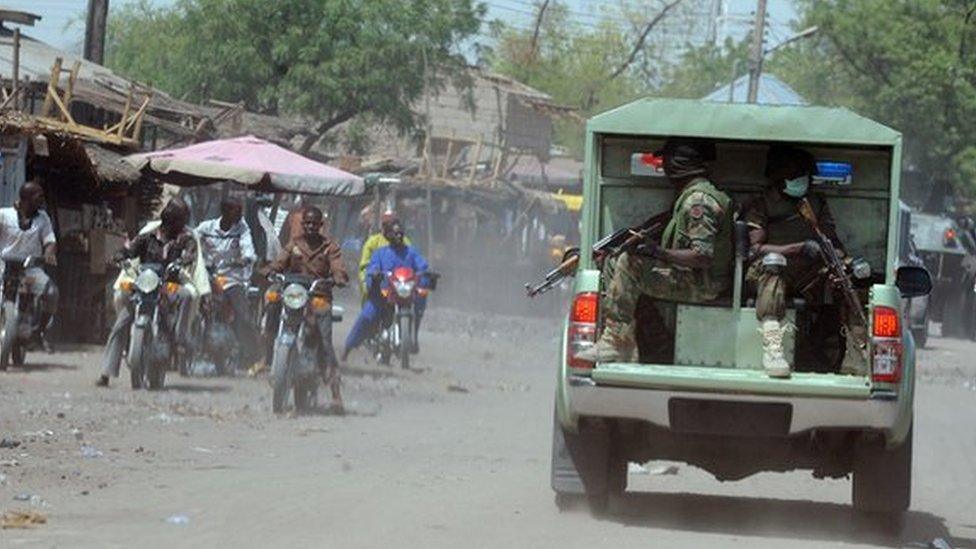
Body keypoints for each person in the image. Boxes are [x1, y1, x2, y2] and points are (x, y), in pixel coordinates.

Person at [576, 139, 733, 363]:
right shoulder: (691, 196)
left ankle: (616, 342)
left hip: (703, 284)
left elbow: (702, 256)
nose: (664, 168)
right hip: (698, 278)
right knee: (617, 263)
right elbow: (670, 224)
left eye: (667, 162)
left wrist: (659, 253)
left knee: (630, 264)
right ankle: (645, 342)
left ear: (679, 165)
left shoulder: (698, 201)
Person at [745, 145, 865, 378]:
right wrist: (798, 248)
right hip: (768, 275)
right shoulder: (762, 204)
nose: (804, 181)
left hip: (807, 275)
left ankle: (854, 351)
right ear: (780, 178)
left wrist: (840, 260)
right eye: (797, 175)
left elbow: (831, 239)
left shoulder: (815, 204)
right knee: (774, 263)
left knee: (847, 277)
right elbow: (755, 248)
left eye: (806, 176)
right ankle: (773, 347)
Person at [96, 198, 206, 387]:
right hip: (145, 283)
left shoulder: (186, 238)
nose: (183, 225)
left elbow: (190, 254)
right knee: (122, 321)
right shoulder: (148, 237)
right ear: (169, 220)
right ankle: (106, 372)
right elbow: (129, 250)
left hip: (169, 284)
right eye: (180, 220)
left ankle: (180, 336)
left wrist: (183, 261)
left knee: (188, 295)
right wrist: (119, 256)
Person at [266, 206, 348, 410]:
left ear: (321, 225)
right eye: (307, 223)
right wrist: (270, 270)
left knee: (326, 342)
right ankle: (267, 355)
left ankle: (335, 392)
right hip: (295, 294)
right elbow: (279, 262)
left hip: (318, 295)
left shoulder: (330, 247)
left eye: (315, 223)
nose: (311, 226)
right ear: (303, 225)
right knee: (272, 303)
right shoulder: (294, 244)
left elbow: (338, 267)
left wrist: (338, 277)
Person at [343, 219, 429, 360]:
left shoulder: (411, 252)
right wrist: (374, 274)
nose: (399, 236)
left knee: (420, 300)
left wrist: (425, 275)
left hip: (404, 292)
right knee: (367, 316)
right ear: (388, 235)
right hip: (383, 294)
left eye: (401, 233)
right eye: (395, 234)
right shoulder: (380, 253)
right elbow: (371, 268)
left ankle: (413, 337)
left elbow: (422, 267)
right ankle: (349, 346)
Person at [196, 197, 259, 368]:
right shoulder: (206, 227)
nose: (239, 213)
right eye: (235, 210)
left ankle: (251, 355)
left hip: (232, 279)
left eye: (240, 210)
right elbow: (192, 241)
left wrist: (245, 258)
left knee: (243, 315)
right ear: (224, 212)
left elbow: (248, 249)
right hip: (207, 277)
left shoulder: (242, 229)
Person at [0, 181, 59, 350]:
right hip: (4, 265)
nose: (41, 199)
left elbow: (50, 241)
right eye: (38, 196)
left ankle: (38, 331)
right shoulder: (4, 215)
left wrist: (49, 253)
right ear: (26, 198)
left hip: (29, 268)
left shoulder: (43, 218)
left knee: (51, 292)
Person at [358, 212, 411, 301]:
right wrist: (367, 285)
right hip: (377, 291)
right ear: (383, 227)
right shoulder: (373, 242)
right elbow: (364, 268)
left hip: (401, 289)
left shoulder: (405, 242)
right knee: (368, 314)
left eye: (395, 224)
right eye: (388, 225)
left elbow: (414, 261)